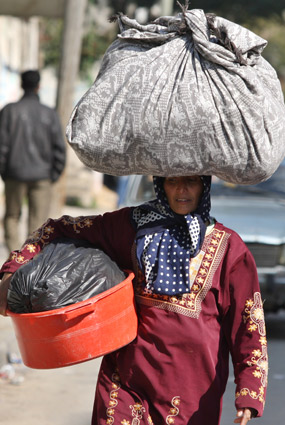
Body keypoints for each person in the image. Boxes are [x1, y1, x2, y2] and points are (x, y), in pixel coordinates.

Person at [0, 176, 268, 425]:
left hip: (192, 393)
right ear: (160, 184)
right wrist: (13, 270)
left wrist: (249, 393)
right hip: (125, 382)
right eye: (172, 181)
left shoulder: (230, 248)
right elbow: (56, 229)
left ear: (205, 186)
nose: (181, 190)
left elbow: (249, 325)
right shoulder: (132, 227)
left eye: (191, 182)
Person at [0, 70, 66, 252]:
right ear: (39, 86)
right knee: (38, 223)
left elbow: (2, 146)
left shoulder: (8, 111)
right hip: (42, 176)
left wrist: (5, 172)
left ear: (21, 85)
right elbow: (59, 148)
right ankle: (30, 260)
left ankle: (14, 259)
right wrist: (53, 175)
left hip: (14, 173)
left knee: (12, 216)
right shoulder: (49, 113)